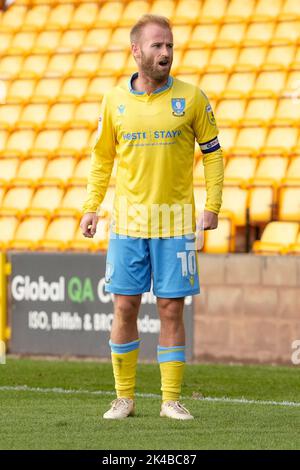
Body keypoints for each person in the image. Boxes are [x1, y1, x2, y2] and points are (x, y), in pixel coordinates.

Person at [81, 14, 224, 420]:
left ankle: (170, 400)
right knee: (124, 307)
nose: (165, 53)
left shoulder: (193, 98)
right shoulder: (113, 101)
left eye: (170, 46)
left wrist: (213, 204)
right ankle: (124, 397)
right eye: (157, 46)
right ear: (136, 50)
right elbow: (101, 159)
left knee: (170, 310)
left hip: (176, 223)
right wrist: (91, 206)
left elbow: (213, 153)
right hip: (127, 224)